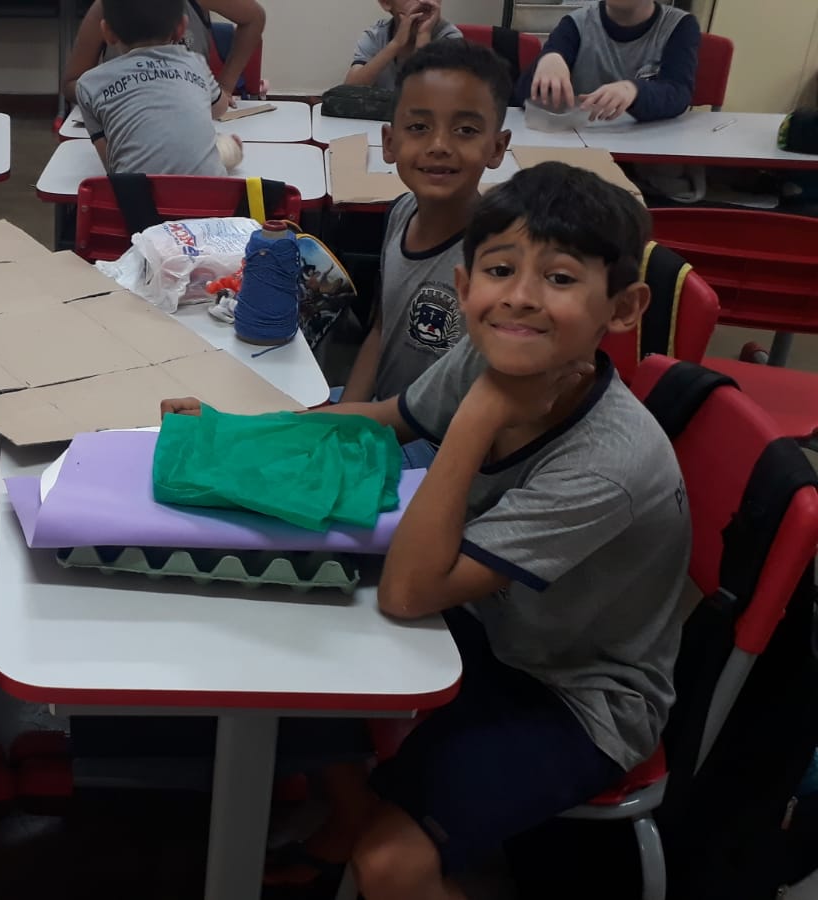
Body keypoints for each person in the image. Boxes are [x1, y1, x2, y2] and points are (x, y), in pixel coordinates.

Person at [163, 162, 693, 899]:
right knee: (277, 645)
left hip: (576, 694)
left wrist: (479, 414)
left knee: (390, 866)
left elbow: (409, 593)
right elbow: (384, 420)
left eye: (561, 278)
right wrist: (235, 431)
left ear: (624, 308)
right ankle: (352, 818)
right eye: (500, 270)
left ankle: (367, 831)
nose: (521, 297)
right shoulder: (487, 351)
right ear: (466, 284)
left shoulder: (610, 462)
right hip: (486, 624)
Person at [341, 41, 512, 416]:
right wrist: (344, 422)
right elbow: (380, 330)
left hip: (442, 439)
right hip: (380, 419)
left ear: (497, 148)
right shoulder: (400, 213)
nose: (439, 145)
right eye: (419, 127)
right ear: (389, 143)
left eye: (465, 130)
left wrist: (351, 423)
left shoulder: (500, 262)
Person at [74, 0, 238, 177]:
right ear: (181, 28)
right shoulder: (195, 64)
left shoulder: (88, 85)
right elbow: (220, 108)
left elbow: (112, 167)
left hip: (135, 194)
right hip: (211, 193)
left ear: (107, 31)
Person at [62, 0, 266, 110]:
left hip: (190, 112)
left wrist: (225, 86)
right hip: (127, 115)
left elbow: (255, 17)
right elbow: (72, 83)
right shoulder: (106, 7)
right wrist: (109, 96)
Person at [522, 0, 701, 122]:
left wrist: (634, 91)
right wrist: (548, 59)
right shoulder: (575, 24)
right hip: (579, 141)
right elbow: (521, 97)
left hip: (646, 146)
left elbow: (678, 94)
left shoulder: (680, 26)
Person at [344, 0, 465, 91]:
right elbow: (348, 91)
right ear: (386, 2)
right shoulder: (375, 35)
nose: (423, 1)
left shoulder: (450, 38)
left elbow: (423, 96)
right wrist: (396, 44)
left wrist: (423, 35)